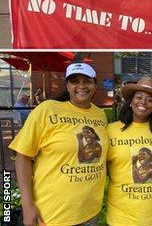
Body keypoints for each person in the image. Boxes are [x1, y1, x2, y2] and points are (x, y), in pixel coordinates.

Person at [9, 63, 107, 226]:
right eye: (74, 81)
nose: (81, 86)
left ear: (95, 85)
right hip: (52, 214)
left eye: (87, 81)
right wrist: (27, 204)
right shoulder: (47, 109)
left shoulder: (100, 115)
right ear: (67, 86)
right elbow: (23, 157)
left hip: (90, 211)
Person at [106, 77, 152, 226]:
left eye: (149, 100)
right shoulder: (112, 130)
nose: (143, 102)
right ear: (130, 101)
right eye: (139, 97)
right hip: (122, 217)